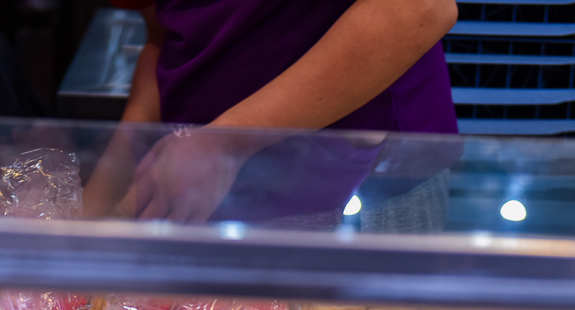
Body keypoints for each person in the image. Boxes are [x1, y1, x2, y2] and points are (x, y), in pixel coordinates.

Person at [84, 0, 460, 224]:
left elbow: (416, 10)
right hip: (194, 187)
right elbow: (162, 32)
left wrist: (222, 145)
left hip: (352, 187)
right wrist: (97, 202)